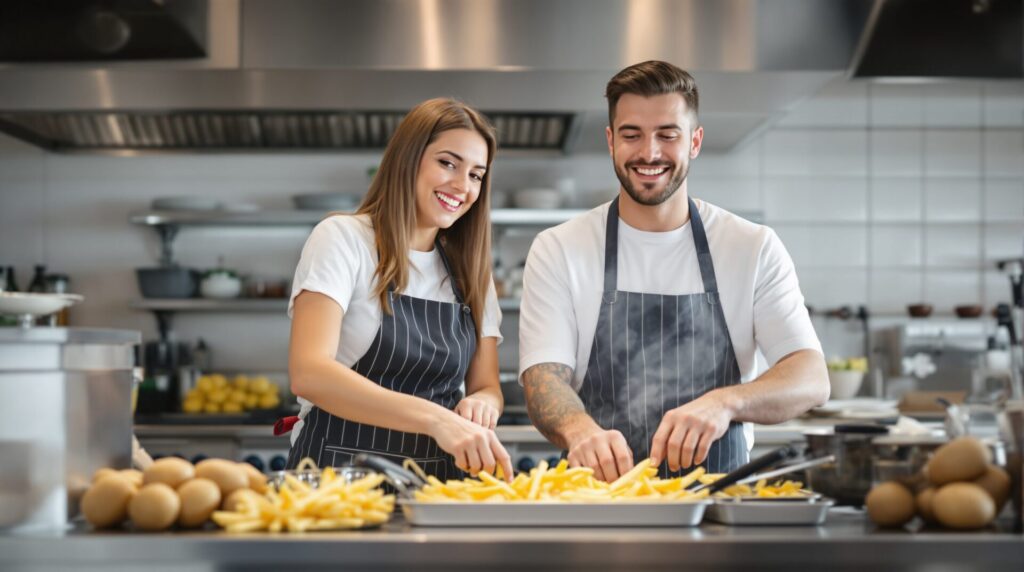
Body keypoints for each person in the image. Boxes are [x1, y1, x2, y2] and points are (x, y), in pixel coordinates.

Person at [518, 61, 829, 481]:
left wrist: (726, 402)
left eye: (668, 135)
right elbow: (543, 378)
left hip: (718, 498)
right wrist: (579, 430)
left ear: (694, 141)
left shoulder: (752, 246)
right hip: (598, 497)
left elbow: (810, 377)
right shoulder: (559, 248)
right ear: (611, 141)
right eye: (632, 135)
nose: (649, 153)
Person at [284, 98, 513, 480]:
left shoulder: (471, 271)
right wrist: (437, 419)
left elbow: (487, 385)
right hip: (337, 480)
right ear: (408, 158)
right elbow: (310, 373)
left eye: (476, 175)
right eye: (448, 163)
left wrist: (483, 404)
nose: (462, 185)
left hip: (439, 485)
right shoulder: (343, 239)